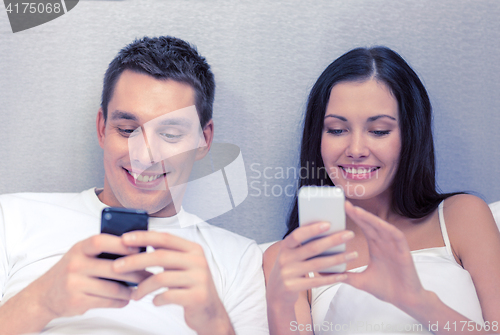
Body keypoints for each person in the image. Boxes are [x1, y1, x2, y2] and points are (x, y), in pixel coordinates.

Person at [0, 36, 268, 335]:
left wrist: (215, 323)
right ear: (103, 129)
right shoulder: (11, 218)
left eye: (169, 135)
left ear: (203, 139)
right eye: (127, 130)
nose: (144, 156)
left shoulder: (240, 259)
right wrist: (41, 302)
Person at [263, 47, 500, 334]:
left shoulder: (463, 216)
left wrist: (418, 301)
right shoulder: (289, 258)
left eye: (379, 131)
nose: (356, 150)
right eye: (337, 130)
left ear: (410, 135)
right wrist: (278, 304)